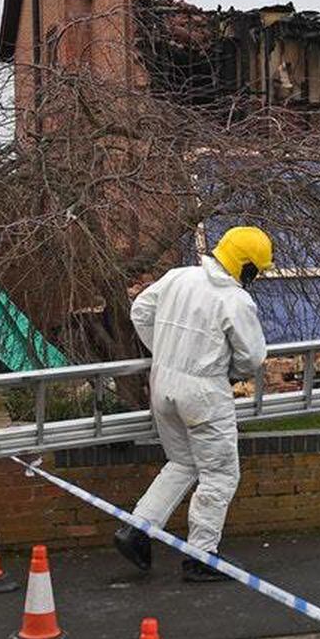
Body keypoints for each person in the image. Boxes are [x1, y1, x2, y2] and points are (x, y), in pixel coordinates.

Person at [113, 226, 272, 582]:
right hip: (203, 393)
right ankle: (201, 556)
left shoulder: (177, 277)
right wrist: (224, 370)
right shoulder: (235, 299)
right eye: (256, 271)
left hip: (163, 384)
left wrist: (167, 352)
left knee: (182, 462)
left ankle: (137, 529)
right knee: (220, 474)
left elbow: (139, 312)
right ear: (246, 267)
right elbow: (252, 357)